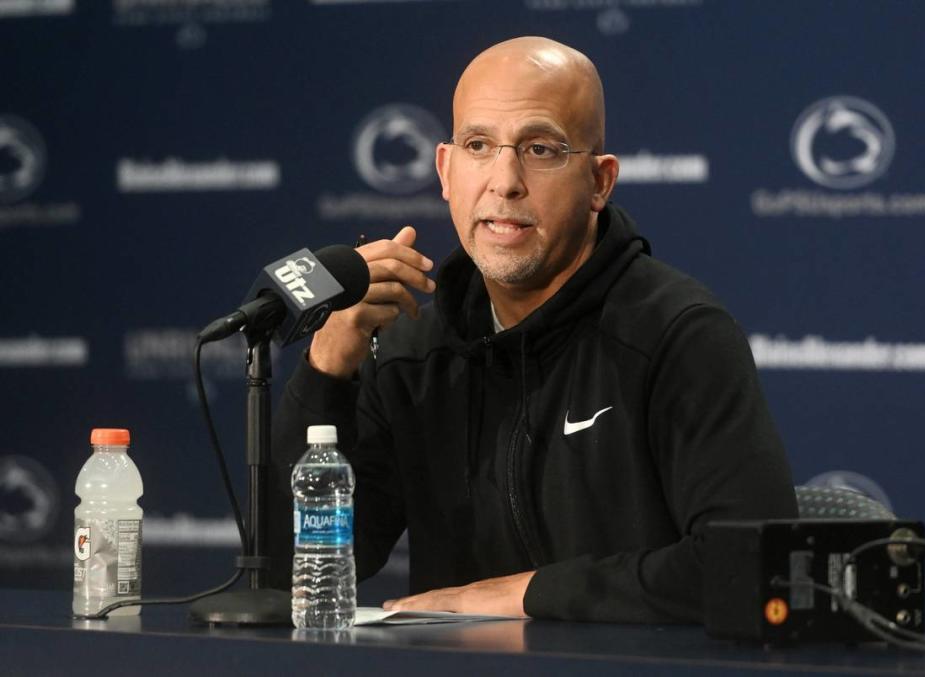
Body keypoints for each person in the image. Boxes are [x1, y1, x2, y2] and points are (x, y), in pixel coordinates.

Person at [267, 36, 797, 623]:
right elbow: (296, 567)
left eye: (540, 149)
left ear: (600, 182)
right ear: (446, 170)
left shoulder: (676, 334)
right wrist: (327, 370)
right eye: (478, 145)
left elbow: (749, 566)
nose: (505, 180)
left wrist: (526, 595)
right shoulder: (411, 349)